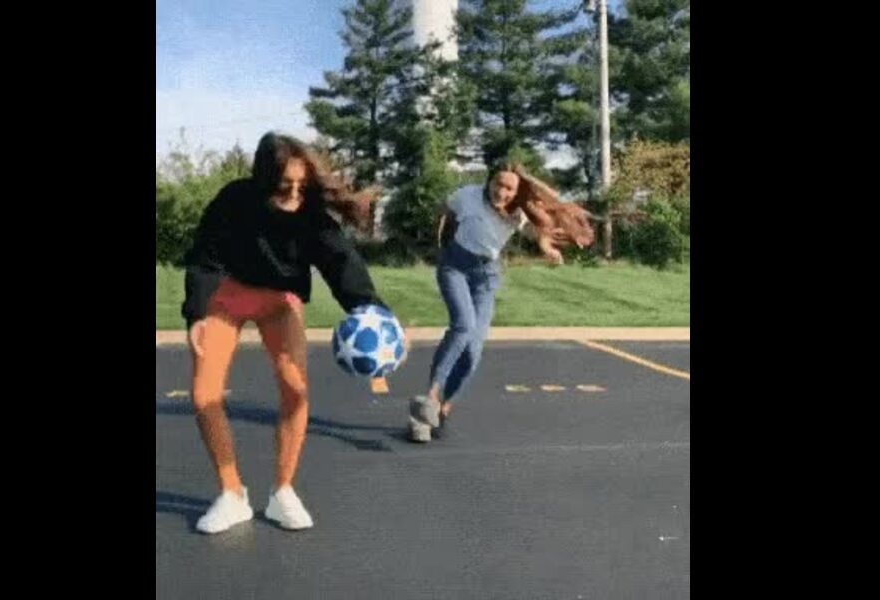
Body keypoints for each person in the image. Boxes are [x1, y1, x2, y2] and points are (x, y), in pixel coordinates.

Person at [182, 131, 387, 533]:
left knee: (295, 390)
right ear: (263, 179)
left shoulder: (311, 213)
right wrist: (197, 313)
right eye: (283, 186)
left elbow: (341, 263)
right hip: (227, 297)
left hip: (279, 301)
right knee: (204, 395)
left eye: (301, 185)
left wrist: (375, 313)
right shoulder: (234, 200)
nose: (294, 194)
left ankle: (283, 492)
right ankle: (231, 494)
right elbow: (205, 255)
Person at [408, 162, 595, 442]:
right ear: (489, 182)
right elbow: (445, 211)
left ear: (517, 193)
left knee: (473, 351)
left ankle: (443, 411)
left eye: (509, 188)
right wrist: (439, 243)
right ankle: (430, 400)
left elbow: (538, 233)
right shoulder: (467, 195)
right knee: (462, 326)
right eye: (498, 184)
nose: (502, 192)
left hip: (486, 277)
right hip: (454, 267)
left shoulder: (519, 212)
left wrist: (547, 248)